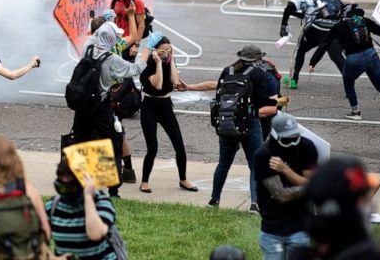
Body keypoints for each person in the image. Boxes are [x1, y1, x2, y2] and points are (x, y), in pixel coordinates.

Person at [69, 22, 149, 196]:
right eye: (116, 36)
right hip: (100, 106)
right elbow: (134, 70)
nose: (118, 38)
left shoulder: (88, 48)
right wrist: (147, 50)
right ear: (111, 39)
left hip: (82, 106)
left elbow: (94, 35)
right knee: (113, 142)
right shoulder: (111, 59)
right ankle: (113, 188)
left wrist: (102, 23)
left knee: (80, 143)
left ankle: (78, 183)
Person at [252, 113, 316, 260]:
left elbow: (311, 182)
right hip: (272, 230)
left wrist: (286, 170)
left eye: (295, 136)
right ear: (275, 135)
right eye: (288, 138)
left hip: (301, 227)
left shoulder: (306, 146)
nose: (293, 141)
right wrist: (310, 187)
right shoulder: (264, 154)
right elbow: (281, 195)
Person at [208, 45, 277, 211]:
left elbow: (219, 96)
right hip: (250, 123)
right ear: (257, 59)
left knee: (223, 164)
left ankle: (214, 199)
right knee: (255, 164)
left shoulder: (227, 71)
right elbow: (262, 102)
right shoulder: (259, 74)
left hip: (227, 122)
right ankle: (255, 203)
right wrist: (276, 102)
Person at [139, 37, 211, 193]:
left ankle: (183, 179)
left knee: (179, 145)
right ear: (155, 51)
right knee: (152, 148)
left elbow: (175, 81)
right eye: (162, 50)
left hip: (165, 106)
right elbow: (158, 85)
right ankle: (144, 181)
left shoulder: (168, 62)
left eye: (168, 50)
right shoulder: (148, 67)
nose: (165, 53)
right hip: (149, 107)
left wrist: (172, 59)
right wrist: (158, 63)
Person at [310, 4, 380, 120]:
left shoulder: (339, 26)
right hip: (372, 55)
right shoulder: (364, 21)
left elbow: (324, 44)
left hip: (353, 59)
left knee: (349, 82)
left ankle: (355, 111)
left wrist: (313, 62)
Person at [279, 0, 346, 89]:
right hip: (333, 30)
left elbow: (290, 6)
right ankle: (349, 85)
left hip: (315, 30)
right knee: (337, 57)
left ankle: (294, 79)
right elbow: (313, 13)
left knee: (301, 50)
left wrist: (283, 26)